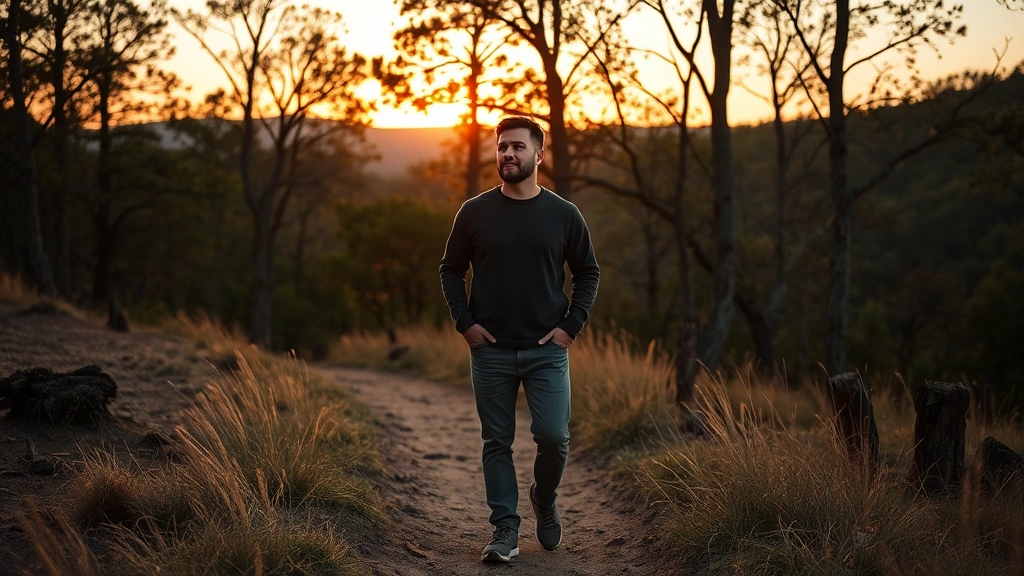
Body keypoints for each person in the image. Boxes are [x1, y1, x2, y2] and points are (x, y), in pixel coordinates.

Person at [438, 116, 600, 563]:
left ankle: (543, 497)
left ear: (538, 155)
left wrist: (570, 327)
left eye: (518, 147)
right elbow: (450, 269)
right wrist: (465, 322)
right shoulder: (474, 212)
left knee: (554, 437)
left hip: (546, 351)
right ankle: (504, 530)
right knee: (497, 442)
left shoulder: (564, 214)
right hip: (489, 350)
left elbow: (588, 273)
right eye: (502, 147)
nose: (508, 154)